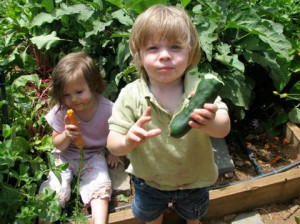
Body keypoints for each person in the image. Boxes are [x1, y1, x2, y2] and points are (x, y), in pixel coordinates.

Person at [107, 5, 231, 224]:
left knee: (194, 215)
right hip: (150, 181)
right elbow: (113, 144)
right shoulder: (130, 95)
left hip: (195, 180)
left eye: (175, 47)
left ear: (190, 52)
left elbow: (223, 128)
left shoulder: (200, 89)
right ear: (139, 54)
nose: (164, 55)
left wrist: (211, 122)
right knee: (152, 217)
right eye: (153, 48)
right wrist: (127, 140)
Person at [39, 52, 122, 224]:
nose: (73, 99)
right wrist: (66, 136)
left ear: (93, 85)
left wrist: (114, 152)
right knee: (55, 188)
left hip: (93, 156)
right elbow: (57, 144)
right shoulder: (61, 110)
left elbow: (116, 131)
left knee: (100, 185)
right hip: (65, 156)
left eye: (78, 92)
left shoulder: (107, 109)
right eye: (67, 95)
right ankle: (46, 218)